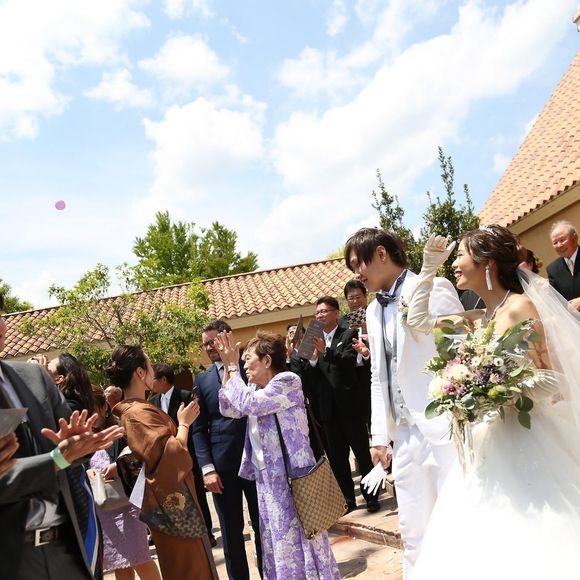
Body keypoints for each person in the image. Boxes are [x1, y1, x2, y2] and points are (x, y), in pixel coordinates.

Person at [405, 225, 580, 579]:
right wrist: (427, 272)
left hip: (529, 435)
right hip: (486, 442)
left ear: (487, 263)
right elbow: (417, 322)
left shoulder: (520, 307)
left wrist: (505, 388)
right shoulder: (476, 319)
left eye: (460, 256)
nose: (454, 264)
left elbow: (555, 378)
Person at [344, 227, 463, 577]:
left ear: (381, 254)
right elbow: (378, 376)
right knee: (413, 530)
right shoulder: (372, 311)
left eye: (359, 263)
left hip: (443, 426)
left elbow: (459, 353)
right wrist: (380, 437)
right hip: (405, 436)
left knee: (457, 519)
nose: (357, 273)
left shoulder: (433, 288)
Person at [0, 293, 124, 580]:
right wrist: (57, 458)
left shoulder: (34, 377)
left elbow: (73, 452)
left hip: (66, 546)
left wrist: (80, 444)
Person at [215, 330, 341, 579]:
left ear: (267, 360)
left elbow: (248, 404)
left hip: (292, 478)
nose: (244, 365)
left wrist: (231, 366)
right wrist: (229, 369)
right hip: (268, 478)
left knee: (298, 539)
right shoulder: (254, 388)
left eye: (248, 359)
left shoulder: (287, 382)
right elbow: (229, 408)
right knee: (278, 540)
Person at [106, 345, 218, 580]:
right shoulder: (137, 414)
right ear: (139, 373)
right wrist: (184, 423)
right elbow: (173, 454)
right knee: (189, 569)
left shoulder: (139, 409)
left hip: (171, 500)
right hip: (171, 504)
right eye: (149, 366)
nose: (153, 370)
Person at [192, 320, 262, 580]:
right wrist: (207, 468)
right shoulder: (202, 380)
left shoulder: (252, 367)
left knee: (264, 527)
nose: (209, 348)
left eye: (213, 341)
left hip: (258, 461)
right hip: (222, 469)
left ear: (228, 337)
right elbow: (199, 429)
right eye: (205, 344)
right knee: (231, 533)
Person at [308, 296, 379, 513]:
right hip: (328, 411)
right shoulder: (312, 338)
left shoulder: (348, 334)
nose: (320, 315)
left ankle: (371, 496)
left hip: (350, 407)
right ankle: (348, 500)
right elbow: (306, 375)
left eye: (324, 311)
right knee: (338, 460)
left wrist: (326, 352)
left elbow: (349, 361)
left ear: (336, 313)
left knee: (362, 455)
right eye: (317, 312)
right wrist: (313, 360)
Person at [88, 387, 160, 580]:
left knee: (140, 558)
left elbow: (141, 456)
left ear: (104, 407)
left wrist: (117, 466)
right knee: (119, 562)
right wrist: (87, 472)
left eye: (92, 409)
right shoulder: (86, 436)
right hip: (104, 508)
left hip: (129, 505)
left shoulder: (120, 428)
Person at [149, 363, 215, 546]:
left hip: (188, 454)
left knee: (197, 494)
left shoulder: (185, 396)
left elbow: (196, 428)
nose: (150, 382)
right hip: (166, 458)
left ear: (163, 379)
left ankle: (207, 532)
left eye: (153, 378)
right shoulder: (152, 402)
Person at [547, 220, 580, 312]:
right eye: (555, 243)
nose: (559, 245)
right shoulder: (553, 270)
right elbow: (555, 301)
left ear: (575, 237)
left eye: (562, 240)